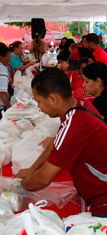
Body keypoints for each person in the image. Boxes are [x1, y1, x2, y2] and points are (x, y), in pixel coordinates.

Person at [15, 67, 107, 217]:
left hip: (102, 201)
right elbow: (55, 142)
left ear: (53, 99)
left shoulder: (75, 123)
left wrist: (18, 187)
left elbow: (43, 179)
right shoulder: (78, 105)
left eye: (38, 101)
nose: (38, 107)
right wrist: (30, 170)